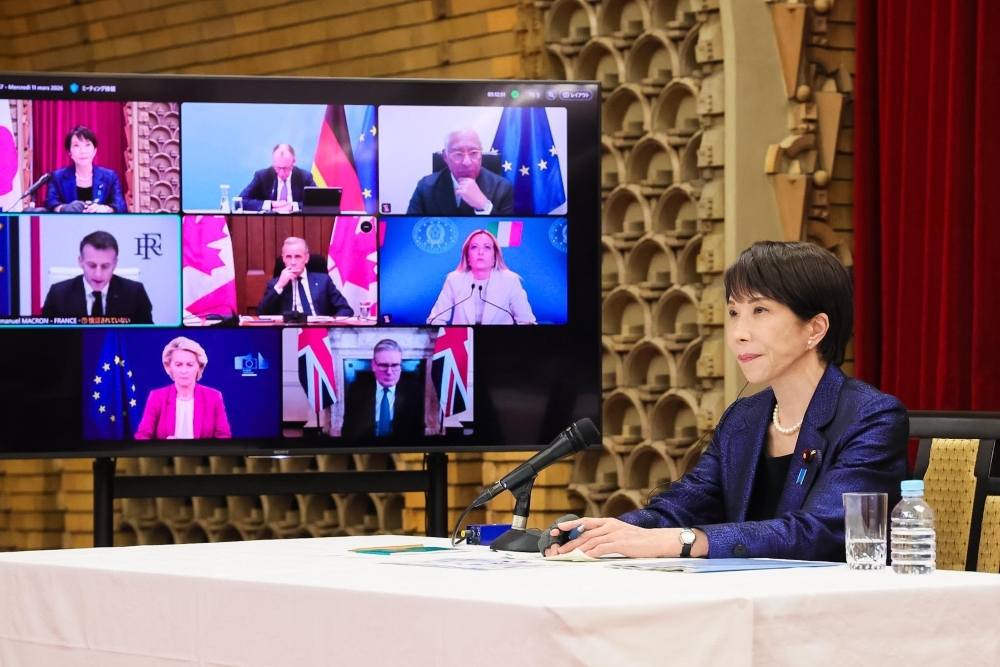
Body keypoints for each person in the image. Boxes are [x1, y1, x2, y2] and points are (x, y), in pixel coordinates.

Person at [545, 241, 909, 562]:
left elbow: (819, 533)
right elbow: (682, 506)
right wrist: (609, 531)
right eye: (734, 313)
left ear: (814, 328)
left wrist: (687, 541)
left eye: (760, 311)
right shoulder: (744, 418)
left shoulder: (871, 418)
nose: (738, 334)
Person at [41, 231, 153, 323]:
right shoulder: (58, 294)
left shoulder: (135, 293)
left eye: (105, 266)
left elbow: (146, 338)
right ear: (81, 262)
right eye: (92, 265)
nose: (98, 274)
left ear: (115, 264)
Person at [427, 229, 535, 325]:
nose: (480, 252)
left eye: (487, 247)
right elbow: (435, 320)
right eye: (474, 247)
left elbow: (527, 320)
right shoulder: (454, 280)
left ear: (494, 257)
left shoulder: (510, 281)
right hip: (464, 343)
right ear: (467, 257)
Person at [135, 337, 232, 440]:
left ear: (199, 367)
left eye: (190, 365)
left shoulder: (213, 397)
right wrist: (163, 448)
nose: (184, 371)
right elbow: (142, 436)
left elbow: (224, 437)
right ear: (168, 366)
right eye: (178, 365)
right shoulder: (157, 397)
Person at [407, 128, 514, 216]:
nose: (467, 162)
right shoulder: (425, 187)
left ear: (481, 153)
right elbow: (410, 229)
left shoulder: (502, 187)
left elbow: (506, 235)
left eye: (473, 153)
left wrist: (484, 206)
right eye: (458, 154)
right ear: (445, 156)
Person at [341, 339, 426, 439]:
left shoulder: (414, 392)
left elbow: (418, 432)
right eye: (383, 365)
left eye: (395, 365)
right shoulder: (357, 390)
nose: (389, 372)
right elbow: (348, 431)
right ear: (373, 365)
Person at [257, 237, 353, 317]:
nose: (293, 262)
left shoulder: (323, 281)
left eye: (298, 257)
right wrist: (279, 286)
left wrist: (331, 325)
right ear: (283, 259)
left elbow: (345, 309)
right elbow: (261, 313)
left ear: (306, 258)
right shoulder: (274, 284)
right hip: (289, 333)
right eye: (289, 257)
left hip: (319, 332)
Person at [45, 126, 128, 213]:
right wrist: (64, 208)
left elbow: (120, 205)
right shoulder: (57, 177)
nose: (83, 151)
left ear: (95, 150)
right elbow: (50, 203)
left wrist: (105, 209)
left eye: (87, 145)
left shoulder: (110, 177)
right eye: (76, 145)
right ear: (69, 152)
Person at [238, 143, 316, 212]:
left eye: (285, 168)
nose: (281, 173)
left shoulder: (304, 177)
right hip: (268, 223)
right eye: (278, 168)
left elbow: (318, 203)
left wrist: (293, 206)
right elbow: (240, 201)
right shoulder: (262, 176)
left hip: (297, 223)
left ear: (293, 162)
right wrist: (271, 204)